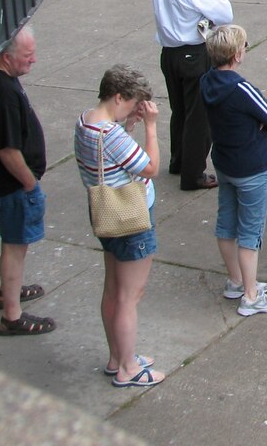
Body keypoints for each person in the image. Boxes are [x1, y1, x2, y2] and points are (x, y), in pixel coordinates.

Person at [74, 65, 165, 386]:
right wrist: (150, 129)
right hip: (131, 219)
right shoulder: (109, 134)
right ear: (118, 96)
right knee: (130, 295)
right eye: (132, 103)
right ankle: (128, 367)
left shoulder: (87, 121)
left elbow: (109, 160)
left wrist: (127, 126)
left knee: (112, 289)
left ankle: (117, 356)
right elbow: (151, 167)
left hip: (106, 215)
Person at [201, 25, 267, 317]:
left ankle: (236, 280)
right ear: (237, 54)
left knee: (227, 222)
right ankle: (251, 295)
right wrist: (258, 124)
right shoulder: (240, 88)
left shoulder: (207, 82)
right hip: (251, 166)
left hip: (224, 162)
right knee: (251, 232)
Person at [152, 0, 233, 191]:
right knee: (199, 117)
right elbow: (224, 12)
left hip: (170, 53)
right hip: (192, 54)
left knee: (181, 111)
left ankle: (179, 160)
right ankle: (193, 173)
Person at [0, 28, 54, 337]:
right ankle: (12, 315)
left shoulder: (6, 80)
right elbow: (7, 149)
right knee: (15, 246)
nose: (34, 61)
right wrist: (29, 183)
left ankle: (9, 289)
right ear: (7, 57)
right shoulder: (3, 92)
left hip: (11, 187)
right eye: (28, 56)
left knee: (15, 244)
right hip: (12, 187)